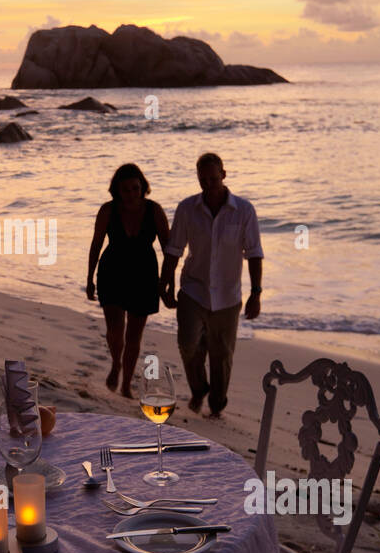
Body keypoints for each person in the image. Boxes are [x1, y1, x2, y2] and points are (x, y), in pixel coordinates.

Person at [159, 152, 263, 417]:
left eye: (213, 179)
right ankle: (198, 388)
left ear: (224, 175)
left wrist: (256, 293)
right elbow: (174, 249)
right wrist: (165, 284)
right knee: (187, 343)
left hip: (228, 295)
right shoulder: (187, 208)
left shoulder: (244, 211)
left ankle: (217, 405)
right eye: (202, 179)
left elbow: (254, 253)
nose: (208, 184)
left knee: (222, 355)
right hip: (194, 289)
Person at [86, 163, 170, 398]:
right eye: (126, 190)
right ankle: (116, 364)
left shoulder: (154, 210)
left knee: (134, 335)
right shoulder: (107, 210)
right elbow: (96, 245)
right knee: (115, 330)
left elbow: (168, 248)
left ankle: (126, 384)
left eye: (135, 188)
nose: (131, 194)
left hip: (144, 274)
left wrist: (167, 281)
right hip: (112, 272)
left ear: (143, 187)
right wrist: (89, 278)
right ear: (117, 190)